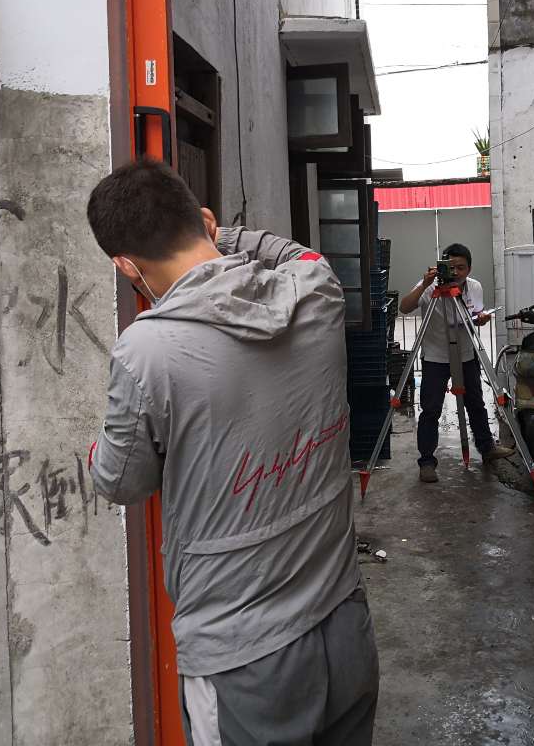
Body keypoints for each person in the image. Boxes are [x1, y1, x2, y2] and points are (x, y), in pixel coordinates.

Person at [85, 159, 378, 746]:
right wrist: (222, 234)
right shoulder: (317, 289)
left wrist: (97, 451)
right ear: (205, 220)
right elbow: (295, 252)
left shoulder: (146, 351)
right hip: (344, 625)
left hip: (243, 660)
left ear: (126, 266)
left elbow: (121, 481)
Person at [398, 242, 514, 483]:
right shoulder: (429, 286)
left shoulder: (475, 287)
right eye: (451, 267)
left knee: (476, 403)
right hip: (435, 357)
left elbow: (475, 315)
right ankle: (426, 462)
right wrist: (425, 285)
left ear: (469, 269)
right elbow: (405, 307)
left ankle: (487, 448)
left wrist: (481, 319)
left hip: (466, 354)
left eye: (461, 267)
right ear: (442, 266)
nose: (456, 272)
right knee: (431, 409)